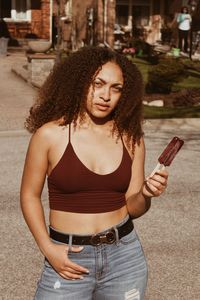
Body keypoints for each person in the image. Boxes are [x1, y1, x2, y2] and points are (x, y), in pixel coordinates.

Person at [20, 46, 168, 300]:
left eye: (116, 88)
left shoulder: (131, 138)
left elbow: (134, 207)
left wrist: (146, 193)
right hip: (68, 257)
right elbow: (29, 196)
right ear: (80, 83)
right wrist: (48, 247)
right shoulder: (49, 135)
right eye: (98, 84)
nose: (105, 96)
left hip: (124, 258)